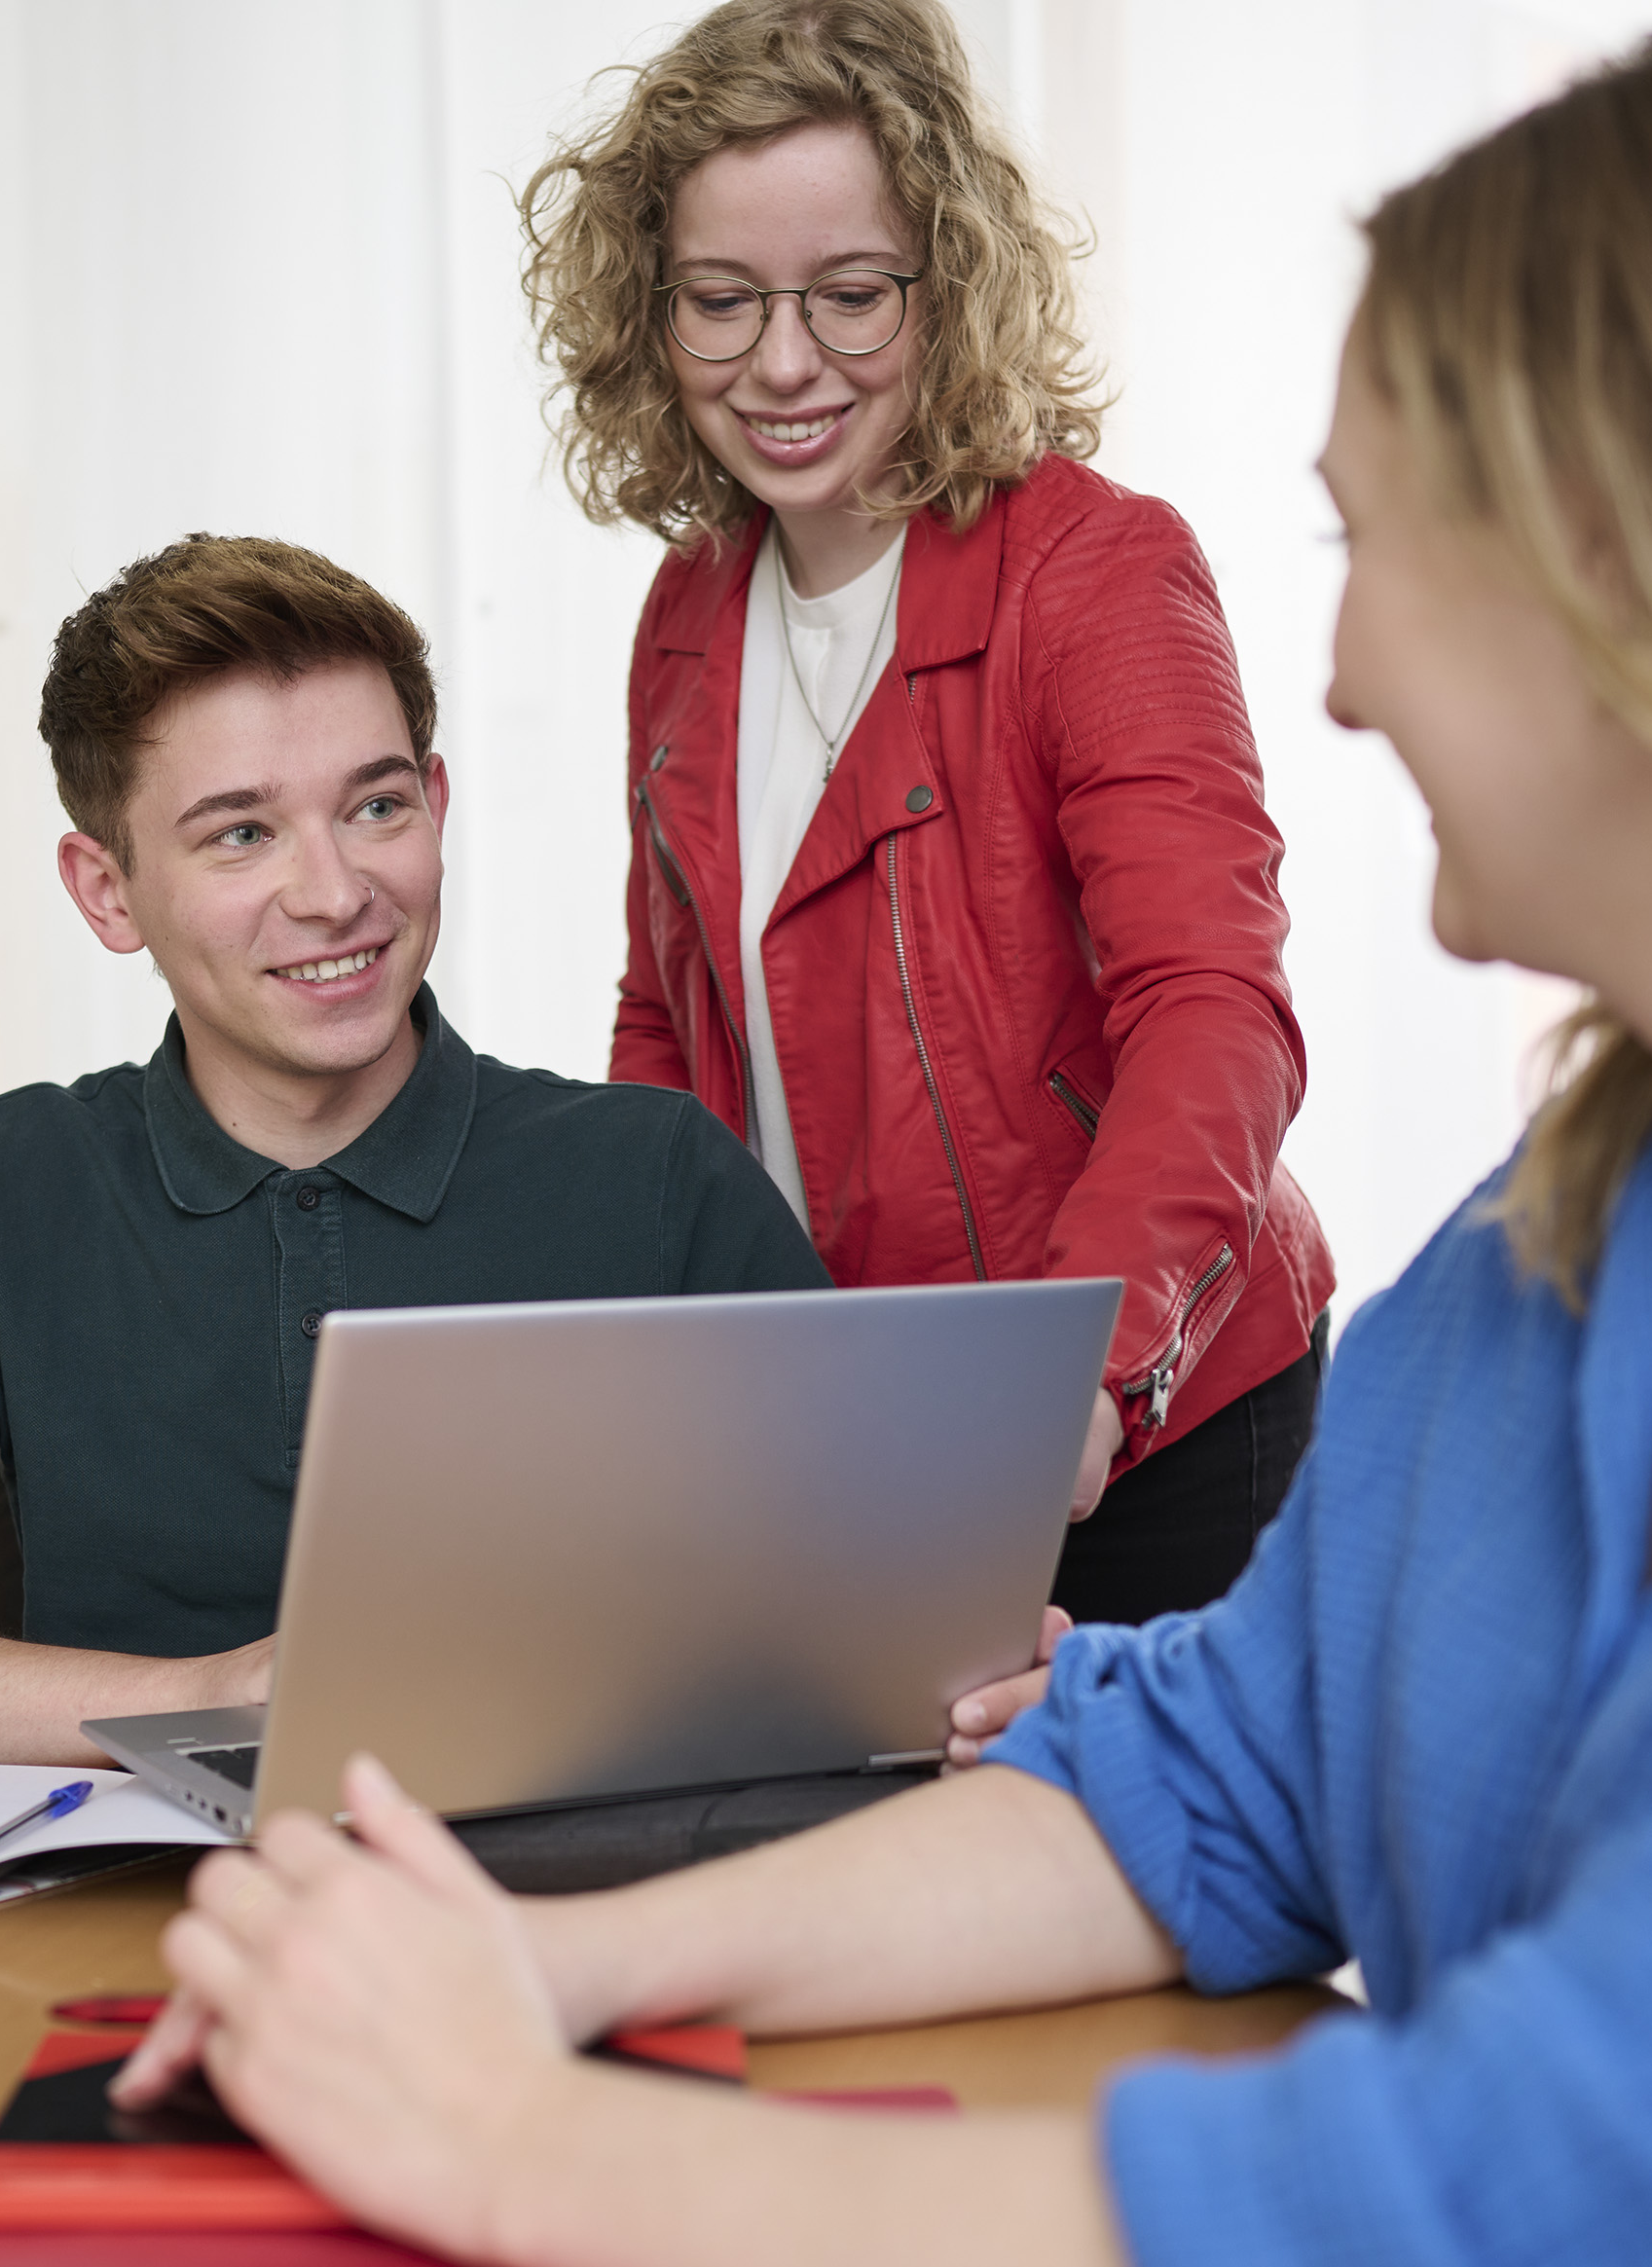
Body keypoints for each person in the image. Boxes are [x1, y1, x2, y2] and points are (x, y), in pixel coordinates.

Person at [112, 13, 1652, 2267]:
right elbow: (1194, 1773)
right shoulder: (1551, 1257)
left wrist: (505, 2132)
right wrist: (536, 1964)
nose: (1343, 667)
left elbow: (1492, 2263)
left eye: (1376, 544)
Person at [0, 535, 839, 1778]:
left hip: (581, 1910)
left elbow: (874, 1605)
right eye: (242, 834)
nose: (333, 892)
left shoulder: (656, 1175)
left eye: (376, 807)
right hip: (109, 1931)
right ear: (107, 891)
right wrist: (214, 1698)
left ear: (436, 807)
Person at [521, 0, 1337, 1678]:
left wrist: (1079, 1372)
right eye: (720, 301)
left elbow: (1211, 1012)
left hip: (1143, 1434)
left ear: (944, 286)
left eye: (847, 294)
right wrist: (627, 1373)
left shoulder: (1094, 572)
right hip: (845, 1445)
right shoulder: (685, 611)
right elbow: (668, 1034)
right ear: (646, 312)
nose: (781, 362)